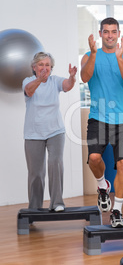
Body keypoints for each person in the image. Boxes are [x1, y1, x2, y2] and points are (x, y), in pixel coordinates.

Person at [80, 17, 123, 228]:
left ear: (118, 34)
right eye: (106, 32)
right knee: (94, 158)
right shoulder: (88, 56)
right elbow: (85, 78)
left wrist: (119, 59)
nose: (110, 35)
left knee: (122, 163)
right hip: (98, 117)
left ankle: (117, 211)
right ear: (101, 33)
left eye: (113, 32)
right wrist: (94, 54)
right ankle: (102, 185)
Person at [23, 52, 77, 212]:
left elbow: (67, 85)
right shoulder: (28, 81)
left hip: (55, 131)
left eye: (47, 65)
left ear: (51, 68)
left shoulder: (55, 81)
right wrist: (40, 79)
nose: (44, 68)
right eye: (41, 65)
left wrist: (72, 77)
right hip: (33, 133)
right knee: (36, 173)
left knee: (55, 164)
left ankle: (57, 203)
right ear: (34, 67)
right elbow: (29, 91)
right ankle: (34, 207)